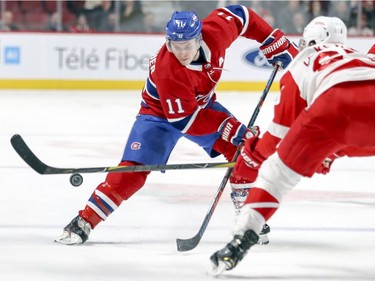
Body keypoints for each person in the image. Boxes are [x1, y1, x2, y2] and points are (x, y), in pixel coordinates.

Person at [55, 4, 298, 245]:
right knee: (132, 173)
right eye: (176, 46)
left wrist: (271, 39)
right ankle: (84, 221)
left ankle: (247, 214)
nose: (182, 52)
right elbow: (185, 121)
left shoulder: (215, 32)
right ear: (168, 43)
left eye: (187, 46)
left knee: (245, 151)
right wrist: (229, 127)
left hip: (200, 107)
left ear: (199, 38)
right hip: (158, 115)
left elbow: (240, 15)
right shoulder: (168, 69)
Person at [210, 16, 375, 274]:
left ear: (309, 40)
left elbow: (277, 137)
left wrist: (252, 154)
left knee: (277, 174)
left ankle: (240, 242)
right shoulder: (360, 57)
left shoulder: (301, 63)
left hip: (331, 109)